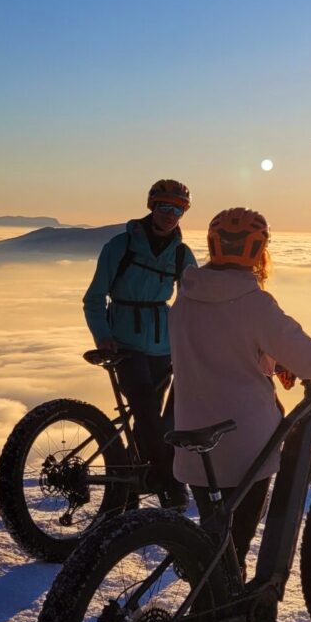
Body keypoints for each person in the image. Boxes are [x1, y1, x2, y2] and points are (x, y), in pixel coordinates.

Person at [169, 206, 311, 622]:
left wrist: (265, 360)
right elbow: (309, 360)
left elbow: (220, 355)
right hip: (247, 446)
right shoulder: (255, 302)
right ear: (259, 251)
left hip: (191, 443)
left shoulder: (184, 298)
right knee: (236, 544)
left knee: (214, 542)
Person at [82, 179, 197, 510]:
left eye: (178, 209)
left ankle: (132, 483)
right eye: (164, 206)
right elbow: (93, 298)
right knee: (146, 410)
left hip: (163, 345)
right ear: (151, 206)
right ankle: (170, 484)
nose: (170, 214)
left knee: (157, 420)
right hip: (124, 345)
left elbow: (194, 302)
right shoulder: (121, 246)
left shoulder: (181, 254)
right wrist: (103, 337)